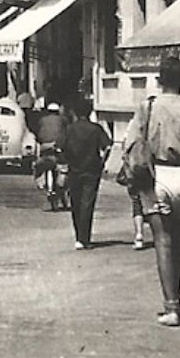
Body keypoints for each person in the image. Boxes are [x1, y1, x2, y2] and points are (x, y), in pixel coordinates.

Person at [122, 56, 180, 327]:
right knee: (178, 241)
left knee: (162, 240)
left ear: (160, 79)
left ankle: (171, 305)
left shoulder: (148, 107)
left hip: (156, 176)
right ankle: (178, 298)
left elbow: (132, 143)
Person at [60, 100, 113, 250]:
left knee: (75, 203)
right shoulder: (96, 129)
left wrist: (65, 163)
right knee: (87, 203)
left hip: (74, 169)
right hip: (92, 170)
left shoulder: (70, 129)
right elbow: (108, 146)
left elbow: (60, 147)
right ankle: (85, 238)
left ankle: (79, 237)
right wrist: (103, 161)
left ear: (75, 112)